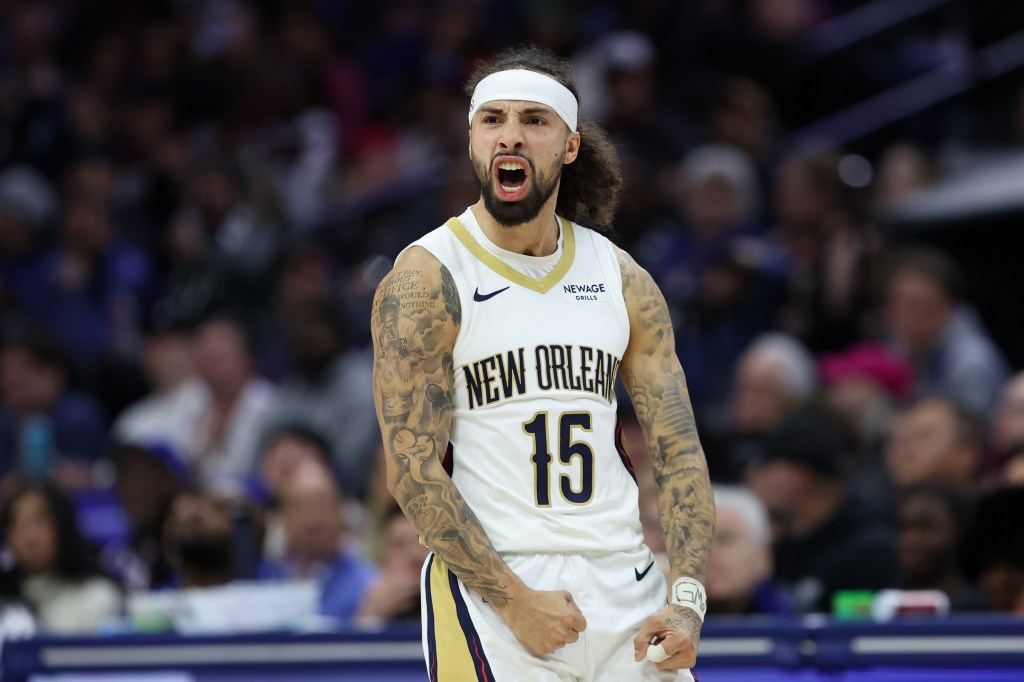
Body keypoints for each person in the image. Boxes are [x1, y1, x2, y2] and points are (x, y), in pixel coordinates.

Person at [371, 45, 714, 681]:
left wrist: (688, 601)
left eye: (534, 120)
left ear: (570, 144)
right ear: (472, 140)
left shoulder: (621, 277)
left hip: (628, 581)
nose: (511, 136)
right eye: (492, 119)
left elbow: (680, 454)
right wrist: (511, 598)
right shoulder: (427, 276)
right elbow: (411, 470)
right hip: (496, 581)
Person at [0, 480, 123, 634]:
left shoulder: (97, 597)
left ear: (63, 525)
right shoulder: (4, 599)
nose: (29, 538)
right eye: (18, 525)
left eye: (40, 521)